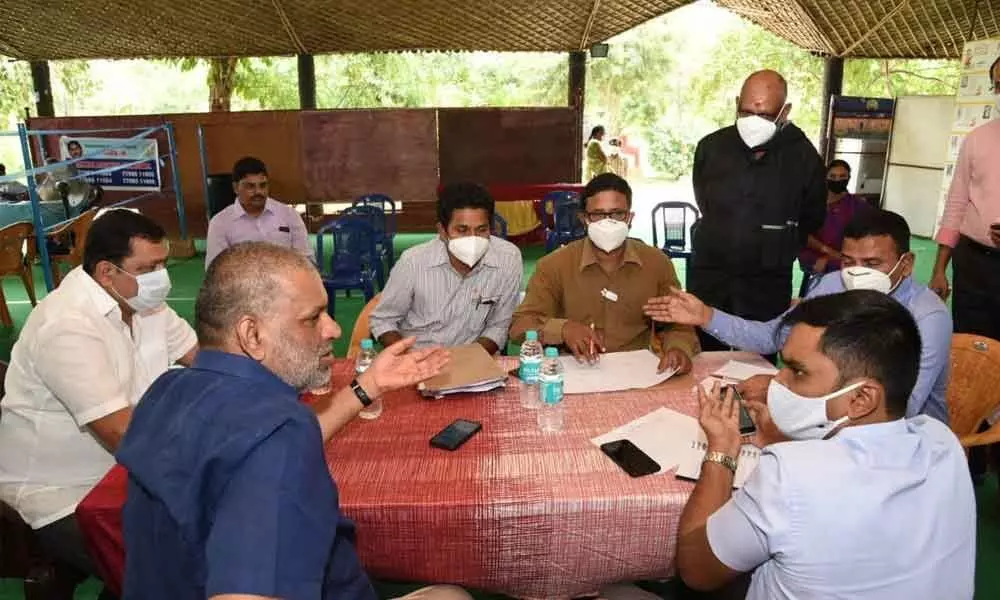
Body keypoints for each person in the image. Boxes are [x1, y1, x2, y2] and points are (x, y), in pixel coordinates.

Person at [117, 242, 469, 600]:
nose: (333, 329)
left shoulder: (166, 391)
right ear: (252, 334)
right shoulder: (277, 437)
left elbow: (251, 452)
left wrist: (368, 386)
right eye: (313, 318)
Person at [675, 290, 975, 599]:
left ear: (861, 398)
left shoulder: (789, 473)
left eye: (798, 372)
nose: (778, 381)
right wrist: (785, 439)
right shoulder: (943, 442)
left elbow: (697, 570)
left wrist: (722, 451)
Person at [0, 209, 197, 593]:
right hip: (62, 494)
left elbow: (206, 360)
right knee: (175, 565)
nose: (161, 278)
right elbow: (121, 435)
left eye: (163, 264)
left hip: (122, 476)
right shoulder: (67, 324)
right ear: (107, 272)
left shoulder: (145, 304)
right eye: (149, 267)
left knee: (209, 532)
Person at [644, 209, 951, 423]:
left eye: (872, 263)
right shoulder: (833, 285)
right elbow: (772, 336)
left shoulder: (927, 317)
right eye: (848, 260)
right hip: (833, 419)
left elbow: (899, 411)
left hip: (905, 440)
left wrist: (786, 391)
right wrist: (706, 315)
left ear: (907, 264)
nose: (858, 273)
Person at [690, 69, 826, 356]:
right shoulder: (712, 148)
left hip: (765, 285)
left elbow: (812, 217)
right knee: (705, 356)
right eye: (746, 111)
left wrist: (774, 239)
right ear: (737, 103)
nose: (753, 121)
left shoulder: (803, 157)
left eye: (764, 115)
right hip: (712, 278)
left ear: (784, 112)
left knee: (756, 359)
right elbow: (705, 202)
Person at [510, 173, 698, 374]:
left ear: (629, 218)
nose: (608, 223)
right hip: (573, 373)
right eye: (598, 215)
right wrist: (563, 329)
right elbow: (521, 325)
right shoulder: (554, 265)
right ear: (584, 219)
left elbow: (679, 324)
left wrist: (679, 349)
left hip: (637, 373)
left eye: (617, 214)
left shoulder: (656, 263)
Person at [370, 182, 522, 353]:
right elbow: (383, 321)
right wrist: (409, 358)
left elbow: (499, 326)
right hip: (418, 358)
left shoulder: (508, 259)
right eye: (462, 230)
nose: (473, 239)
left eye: (481, 230)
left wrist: (470, 360)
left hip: (473, 358)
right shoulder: (413, 262)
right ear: (442, 231)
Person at [930, 54, 1000, 343]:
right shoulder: (978, 138)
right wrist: (939, 269)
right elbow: (957, 203)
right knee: (971, 346)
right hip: (973, 265)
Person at [204, 156, 312, 267]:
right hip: (242, 282)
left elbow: (306, 260)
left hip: (286, 280)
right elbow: (214, 269)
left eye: (263, 185)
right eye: (250, 186)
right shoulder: (220, 223)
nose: (258, 192)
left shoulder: (289, 215)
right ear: (235, 188)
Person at [797, 159, 870, 297]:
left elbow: (865, 233)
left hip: (845, 256)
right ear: (825, 178)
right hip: (813, 254)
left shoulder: (857, 205)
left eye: (843, 176)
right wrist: (826, 252)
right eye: (833, 176)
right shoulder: (812, 203)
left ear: (849, 178)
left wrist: (842, 256)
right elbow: (801, 233)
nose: (838, 180)